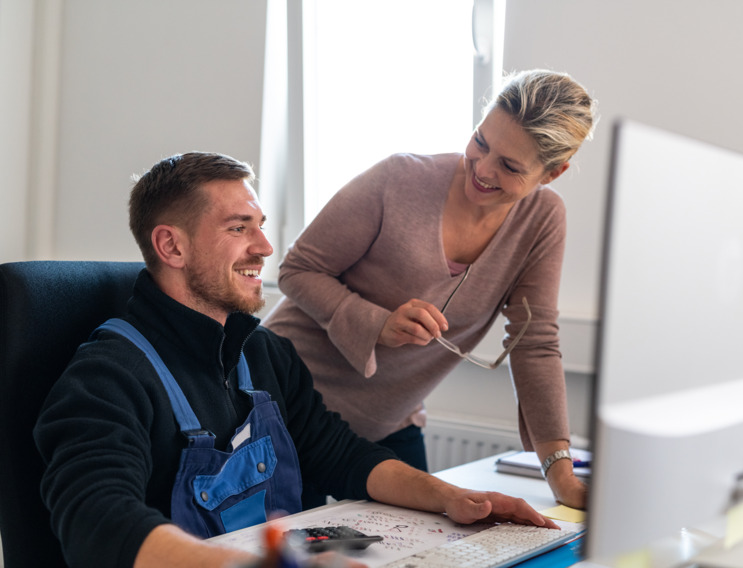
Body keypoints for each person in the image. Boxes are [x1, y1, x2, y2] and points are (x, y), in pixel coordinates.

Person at [33, 152, 559, 568]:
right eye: (239, 228)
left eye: (260, 225)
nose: (264, 246)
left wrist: (456, 497)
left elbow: (341, 454)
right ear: (172, 246)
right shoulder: (106, 377)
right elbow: (96, 518)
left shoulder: (264, 353)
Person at [262, 69, 598, 511]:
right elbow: (298, 268)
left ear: (552, 173)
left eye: (510, 166)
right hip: (288, 406)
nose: (481, 168)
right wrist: (377, 323)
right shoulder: (399, 178)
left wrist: (561, 476)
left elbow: (534, 344)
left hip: (387, 421)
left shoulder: (542, 221)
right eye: (481, 142)